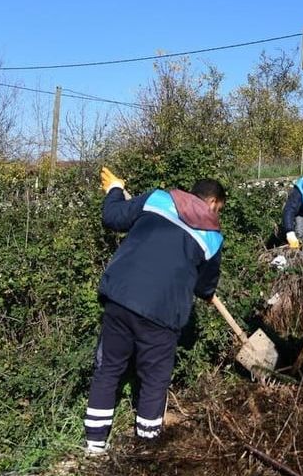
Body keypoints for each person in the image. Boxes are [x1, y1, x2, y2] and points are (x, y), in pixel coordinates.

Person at [82, 167, 227, 454]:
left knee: (108, 369)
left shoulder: (158, 199)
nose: (216, 215)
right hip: (163, 312)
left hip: (121, 297)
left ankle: (94, 447)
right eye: (218, 209)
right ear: (212, 203)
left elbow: (113, 216)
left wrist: (115, 190)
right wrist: (207, 291)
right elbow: (203, 287)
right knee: (154, 380)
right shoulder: (213, 238)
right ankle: (146, 451)